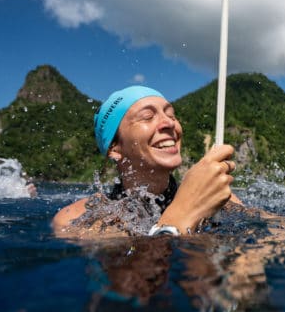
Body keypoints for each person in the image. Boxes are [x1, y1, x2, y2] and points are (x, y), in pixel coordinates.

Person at [52, 85, 242, 238]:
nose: (169, 123)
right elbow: (138, 277)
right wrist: (182, 213)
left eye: (171, 115)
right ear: (114, 148)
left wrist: (247, 261)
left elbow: (271, 236)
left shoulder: (216, 198)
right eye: (147, 117)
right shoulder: (77, 219)